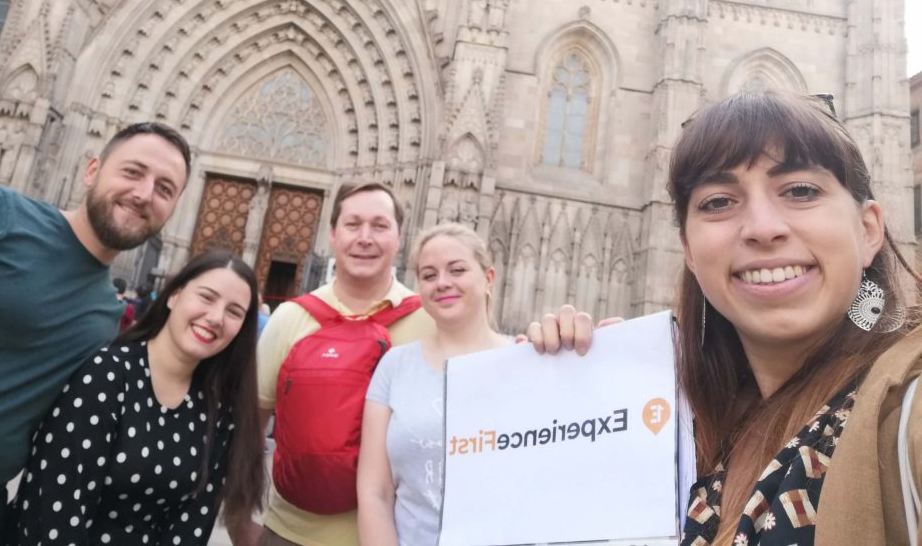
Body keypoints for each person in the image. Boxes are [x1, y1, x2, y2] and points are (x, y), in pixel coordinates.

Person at [530, 91, 922, 546]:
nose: (761, 227)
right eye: (718, 202)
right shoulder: (692, 432)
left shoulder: (907, 408)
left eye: (800, 190)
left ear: (868, 229)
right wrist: (568, 411)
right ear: (690, 252)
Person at [0, 121, 191, 545]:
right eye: (132, 172)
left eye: (165, 189)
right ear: (91, 171)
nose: (145, 193)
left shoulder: (109, 318)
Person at [5, 251, 265, 546]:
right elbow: (57, 503)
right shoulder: (107, 375)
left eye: (234, 312)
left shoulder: (220, 413)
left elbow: (192, 525)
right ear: (174, 296)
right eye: (206, 297)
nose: (216, 317)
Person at [248, 181, 435, 546]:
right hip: (289, 534)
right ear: (332, 235)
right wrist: (242, 521)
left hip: (396, 537)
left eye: (380, 226)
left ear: (400, 238)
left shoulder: (432, 322)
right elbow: (248, 431)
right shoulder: (289, 319)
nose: (365, 237)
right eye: (353, 224)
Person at [357, 222, 511, 545]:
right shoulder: (395, 366)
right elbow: (375, 492)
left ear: (488, 279)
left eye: (456, 270)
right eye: (429, 275)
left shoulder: (526, 361)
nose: (442, 283)